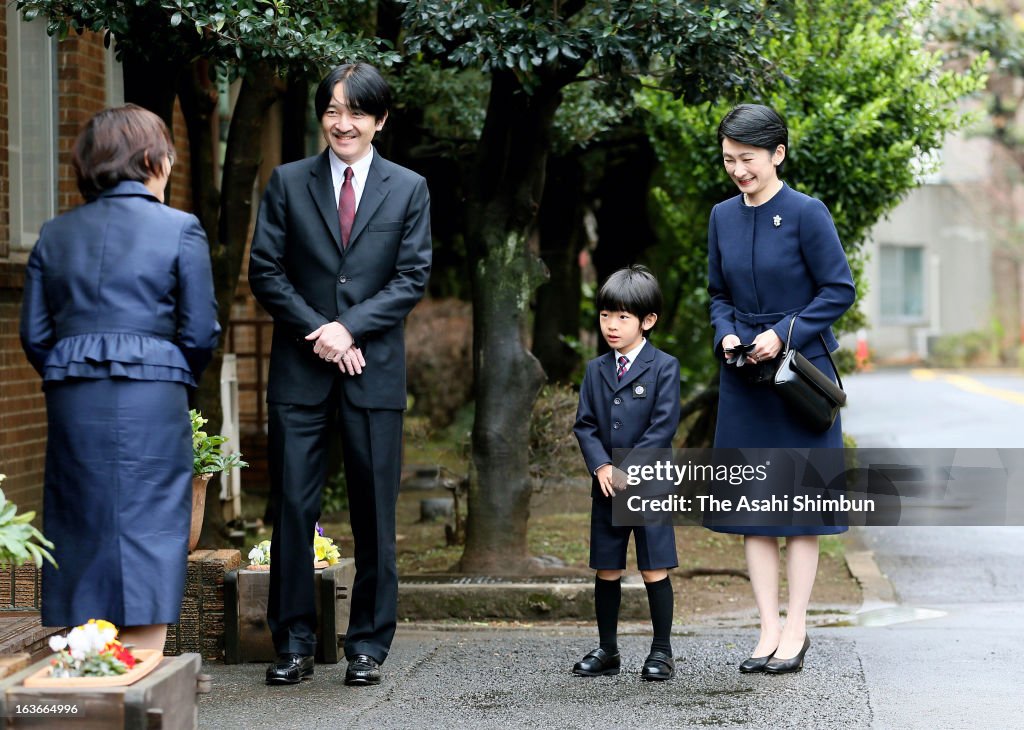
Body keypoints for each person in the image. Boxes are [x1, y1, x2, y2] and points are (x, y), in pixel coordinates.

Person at [249, 62, 431, 687]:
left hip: (372, 369)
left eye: (355, 112)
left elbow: (410, 278)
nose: (341, 122)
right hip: (301, 371)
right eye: (331, 110)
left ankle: (368, 645)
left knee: (375, 509)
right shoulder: (287, 181)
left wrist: (348, 329)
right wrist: (322, 333)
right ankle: (294, 641)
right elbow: (266, 271)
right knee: (294, 508)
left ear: (379, 120)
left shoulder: (408, 188)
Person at [19, 105, 220, 651]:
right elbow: (200, 331)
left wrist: (72, 370)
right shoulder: (181, 229)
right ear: (153, 159)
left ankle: (88, 658)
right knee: (152, 518)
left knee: (79, 512)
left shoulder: (55, 234)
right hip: (154, 395)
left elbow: (35, 334)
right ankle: (144, 662)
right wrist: (170, 372)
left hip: (74, 395)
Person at [706, 104, 856, 674]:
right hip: (744, 378)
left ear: (777, 155)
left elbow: (838, 289)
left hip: (798, 380)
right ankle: (767, 625)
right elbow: (717, 293)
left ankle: (797, 627)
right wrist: (726, 335)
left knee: (799, 509)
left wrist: (781, 333)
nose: (738, 170)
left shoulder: (806, 213)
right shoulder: (721, 216)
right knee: (753, 508)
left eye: (747, 159)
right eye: (729, 160)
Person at [572, 265, 681, 681]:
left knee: (654, 566)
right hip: (606, 485)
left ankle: (661, 651)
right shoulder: (595, 369)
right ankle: (607, 649)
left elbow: (663, 425)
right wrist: (602, 465)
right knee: (607, 566)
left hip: (648, 484)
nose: (611, 326)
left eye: (622, 317)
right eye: (605, 315)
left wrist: (628, 469)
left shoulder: (663, 367)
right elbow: (585, 424)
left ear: (647, 320)